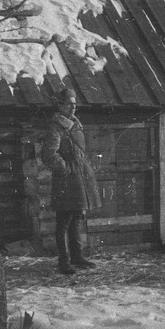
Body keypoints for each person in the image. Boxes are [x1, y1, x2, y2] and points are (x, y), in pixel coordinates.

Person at [42, 88, 101, 274]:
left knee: (76, 219)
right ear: (60, 106)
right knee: (64, 221)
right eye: (69, 104)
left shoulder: (75, 125)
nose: (73, 108)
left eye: (75, 104)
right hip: (67, 180)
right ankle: (64, 261)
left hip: (80, 177)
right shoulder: (56, 127)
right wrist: (65, 167)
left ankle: (77, 256)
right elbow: (49, 155)